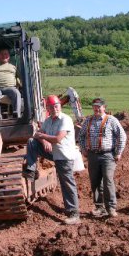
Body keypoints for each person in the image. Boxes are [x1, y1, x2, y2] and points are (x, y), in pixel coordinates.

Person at [23, 95, 81, 225]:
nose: (55, 108)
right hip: (53, 153)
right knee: (32, 142)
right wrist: (43, 141)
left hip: (64, 156)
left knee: (66, 183)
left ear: (60, 106)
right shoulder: (48, 120)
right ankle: (31, 170)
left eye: (56, 106)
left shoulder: (65, 119)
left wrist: (43, 136)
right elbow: (36, 134)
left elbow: (57, 139)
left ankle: (74, 213)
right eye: (52, 106)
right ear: (48, 108)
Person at [79, 97, 127, 218]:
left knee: (108, 180)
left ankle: (111, 207)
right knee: (95, 182)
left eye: (99, 107)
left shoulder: (111, 120)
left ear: (104, 107)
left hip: (107, 155)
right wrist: (83, 149)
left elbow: (122, 136)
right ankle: (99, 207)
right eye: (94, 106)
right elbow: (81, 136)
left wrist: (118, 152)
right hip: (92, 155)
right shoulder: (88, 121)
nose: (96, 109)